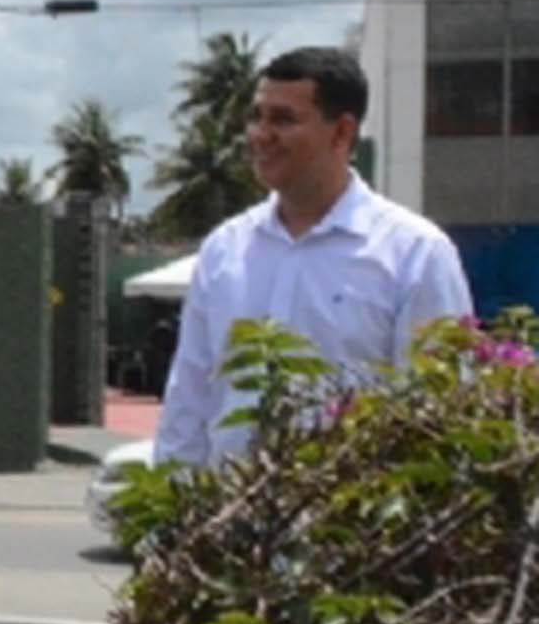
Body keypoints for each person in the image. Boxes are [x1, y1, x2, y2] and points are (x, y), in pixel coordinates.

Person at [155, 46, 471, 467]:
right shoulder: (223, 251)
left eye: (283, 119)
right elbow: (189, 400)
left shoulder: (414, 254)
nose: (261, 135)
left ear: (341, 133)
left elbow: (440, 413)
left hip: (353, 507)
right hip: (231, 506)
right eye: (256, 117)